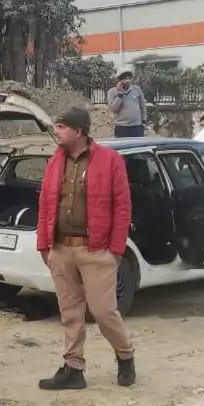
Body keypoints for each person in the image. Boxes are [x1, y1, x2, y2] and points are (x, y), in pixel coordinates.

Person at [36, 107, 136, 391]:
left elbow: (123, 207)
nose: (56, 132)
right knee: (70, 313)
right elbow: (45, 204)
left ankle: (125, 355)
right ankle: (73, 368)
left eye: (61, 127)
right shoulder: (55, 161)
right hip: (61, 249)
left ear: (78, 131)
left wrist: (115, 250)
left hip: (96, 251)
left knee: (103, 312)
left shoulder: (110, 160)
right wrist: (44, 245)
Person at [107, 70, 147, 138]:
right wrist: (120, 94)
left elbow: (143, 106)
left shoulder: (137, 89)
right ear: (119, 80)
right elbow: (113, 109)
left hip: (137, 127)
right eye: (125, 79)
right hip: (121, 127)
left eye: (129, 78)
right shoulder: (112, 92)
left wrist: (144, 122)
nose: (128, 81)